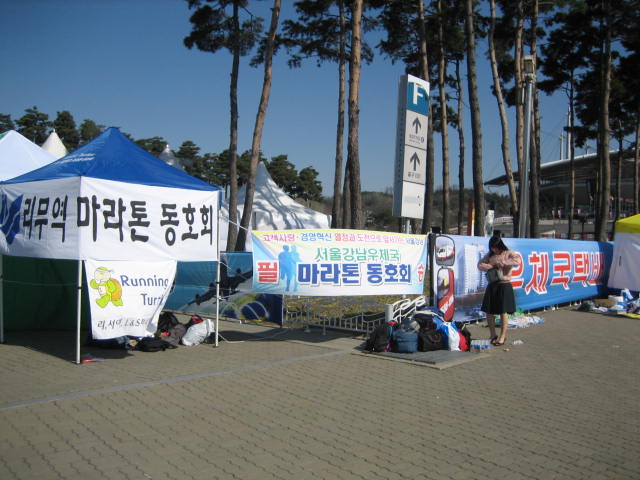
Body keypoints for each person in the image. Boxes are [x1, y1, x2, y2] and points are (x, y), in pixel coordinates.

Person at [477, 236, 521, 346]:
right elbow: (480, 265)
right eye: (492, 248)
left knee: (503, 311)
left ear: (500, 245)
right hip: (492, 284)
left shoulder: (509, 253)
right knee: (488, 311)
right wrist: (490, 266)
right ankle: (492, 334)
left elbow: (517, 261)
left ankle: (502, 336)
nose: (494, 250)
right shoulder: (489, 255)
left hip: (504, 284)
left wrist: (503, 262)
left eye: (496, 247)